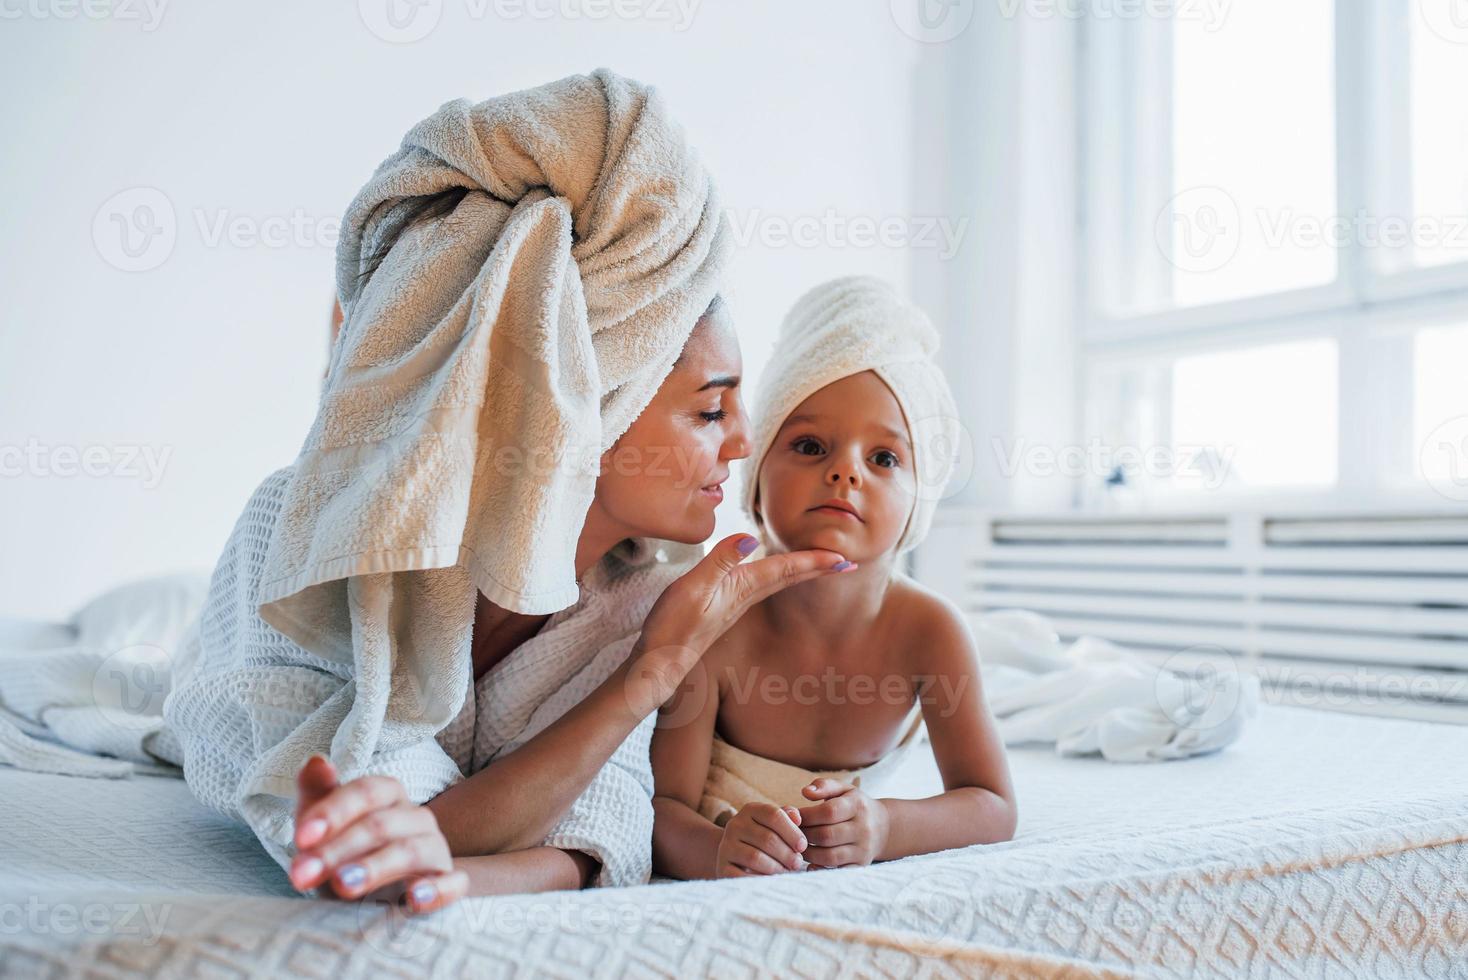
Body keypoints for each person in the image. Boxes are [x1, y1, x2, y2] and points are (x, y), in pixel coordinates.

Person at [164, 71, 854, 916]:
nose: (744, 443)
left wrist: (653, 669)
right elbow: (361, 817)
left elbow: (594, 837)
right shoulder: (312, 525)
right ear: (594, 406)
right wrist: (443, 840)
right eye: (712, 408)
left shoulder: (638, 598)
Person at [649, 277, 1017, 879]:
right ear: (757, 484)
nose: (845, 471)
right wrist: (715, 849)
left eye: (884, 458)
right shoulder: (719, 622)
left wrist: (887, 825)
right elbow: (663, 809)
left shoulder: (931, 633)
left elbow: (993, 807)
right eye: (811, 445)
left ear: (917, 506)